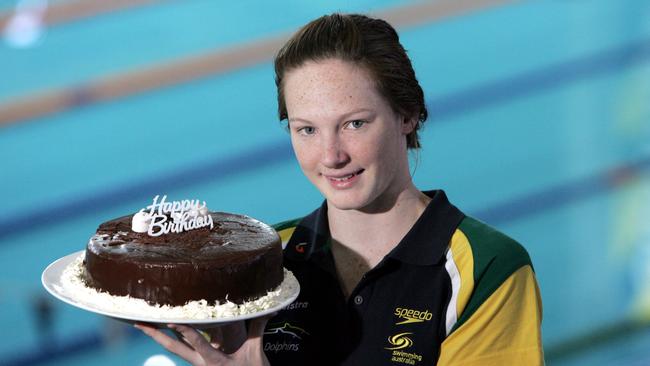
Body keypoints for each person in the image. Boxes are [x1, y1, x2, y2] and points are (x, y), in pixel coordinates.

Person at [136, 13, 544, 365]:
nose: (331, 156)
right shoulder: (261, 259)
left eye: (354, 124)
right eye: (307, 129)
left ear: (407, 115)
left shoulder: (487, 269)